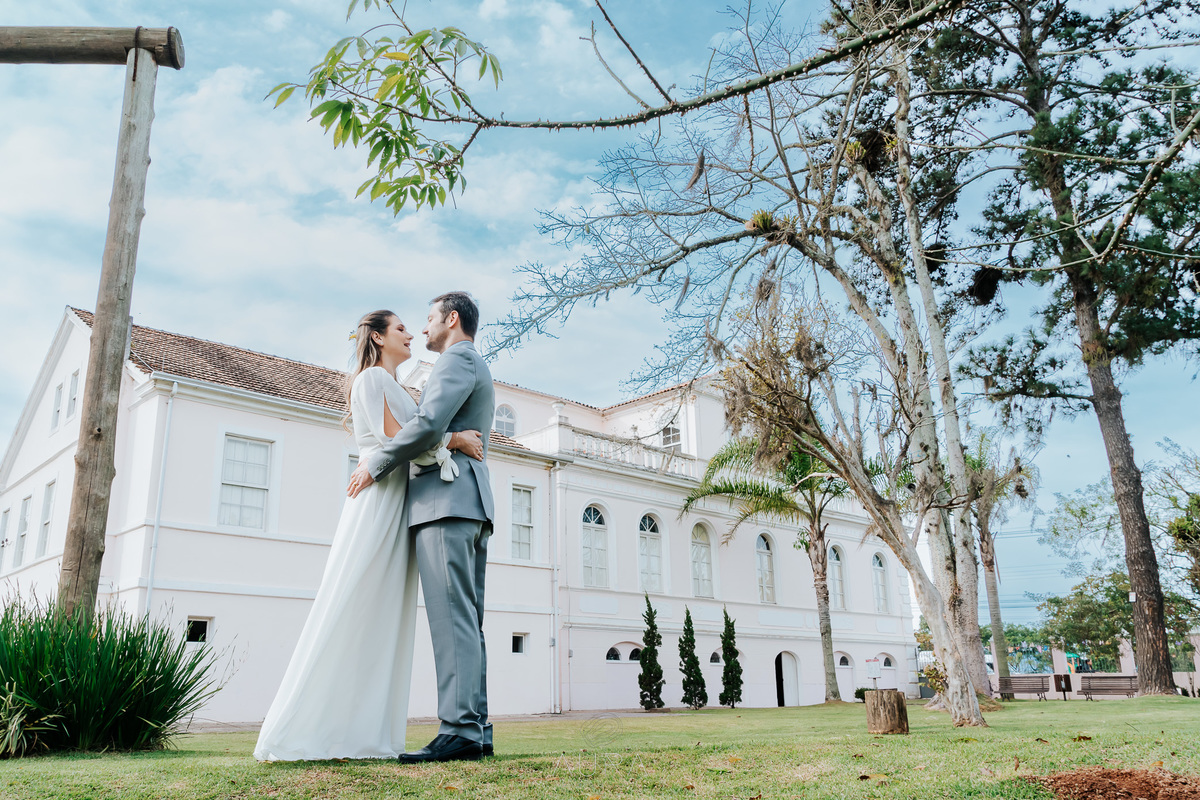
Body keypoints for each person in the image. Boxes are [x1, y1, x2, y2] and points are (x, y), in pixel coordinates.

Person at [254, 310, 483, 762]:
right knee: (354, 598)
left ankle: (365, 731)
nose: (411, 333)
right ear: (378, 338)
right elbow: (399, 438)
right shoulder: (372, 380)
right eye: (399, 328)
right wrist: (455, 440)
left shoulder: (398, 386)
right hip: (380, 499)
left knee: (385, 612)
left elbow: (416, 433)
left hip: (401, 499)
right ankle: (308, 725)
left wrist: (443, 437)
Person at [347, 291, 495, 764]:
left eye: (429, 319)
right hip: (466, 502)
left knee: (452, 620)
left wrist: (378, 462)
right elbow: (437, 429)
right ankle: (474, 727)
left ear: (451, 320)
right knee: (467, 622)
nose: (422, 328)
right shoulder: (467, 363)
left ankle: (459, 731)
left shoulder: (455, 362)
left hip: (445, 501)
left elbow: (428, 424)